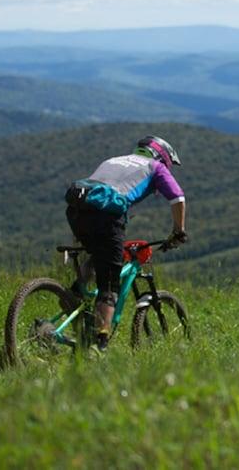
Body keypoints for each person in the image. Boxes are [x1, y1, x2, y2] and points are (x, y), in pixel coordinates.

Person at [64, 135, 188, 352]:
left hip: (76, 210)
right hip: (106, 217)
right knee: (110, 283)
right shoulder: (156, 167)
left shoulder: (113, 160)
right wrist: (178, 231)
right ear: (162, 156)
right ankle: (98, 344)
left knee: (99, 255)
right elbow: (178, 198)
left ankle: (74, 294)